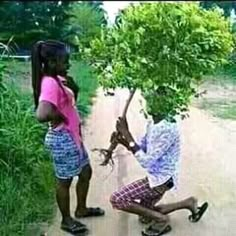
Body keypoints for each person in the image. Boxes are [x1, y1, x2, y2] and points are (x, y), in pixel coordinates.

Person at [31, 40, 104, 235]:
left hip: (72, 137)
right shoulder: (49, 83)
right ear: (53, 62)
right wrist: (60, 117)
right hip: (63, 139)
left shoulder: (58, 79)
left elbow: (67, 104)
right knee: (64, 181)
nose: (69, 64)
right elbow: (41, 114)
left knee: (85, 172)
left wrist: (75, 90)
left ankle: (81, 209)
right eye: (65, 61)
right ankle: (66, 220)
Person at [110, 106, 208, 236]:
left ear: (163, 103)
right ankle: (188, 203)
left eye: (152, 99)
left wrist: (127, 134)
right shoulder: (153, 122)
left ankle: (162, 220)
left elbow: (146, 161)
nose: (147, 102)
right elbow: (142, 149)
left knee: (117, 199)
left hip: (161, 180)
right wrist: (124, 140)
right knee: (145, 216)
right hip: (159, 177)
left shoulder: (167, 128)